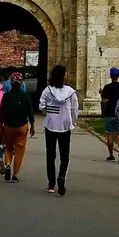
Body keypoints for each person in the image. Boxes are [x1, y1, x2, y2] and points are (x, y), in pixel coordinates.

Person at [39, 64, 79, 195]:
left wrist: (50, 112)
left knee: (51, 155)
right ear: (62, 76)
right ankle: (62, 176)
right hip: (65, 125)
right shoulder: (70, 92)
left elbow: (41, 106)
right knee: (64, 155)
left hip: (51, 125)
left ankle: (51, 185)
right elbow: (74, 109)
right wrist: (73, 122)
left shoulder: (47, 90)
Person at [0, 71, 35, 182]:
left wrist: (1, 125)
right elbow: (30, 112)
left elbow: (2, 112)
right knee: (19, 150)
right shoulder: (25, 96)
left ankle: (8, 164)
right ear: (21, 83)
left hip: (9, 126)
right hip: (22, 126)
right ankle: (15, 174)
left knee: (8, 147)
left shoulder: (6, 96)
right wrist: (32, 125)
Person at [99, 67, 119, 162]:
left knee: (109, 134)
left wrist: (102, 94)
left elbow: (104, 101)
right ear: (118, 76)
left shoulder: (107, 87)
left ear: (110, 76)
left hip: (109, 113)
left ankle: (111, 154)